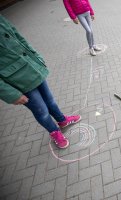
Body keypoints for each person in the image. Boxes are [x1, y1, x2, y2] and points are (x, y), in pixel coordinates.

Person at [0, 15, 81, 149]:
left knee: (50, 100)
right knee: (41, 111)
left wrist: (35, 56)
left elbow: (19, 38)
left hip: (32, 67)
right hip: (17, 79)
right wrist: (10, 94)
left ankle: (62, 120)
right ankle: (54, 132)